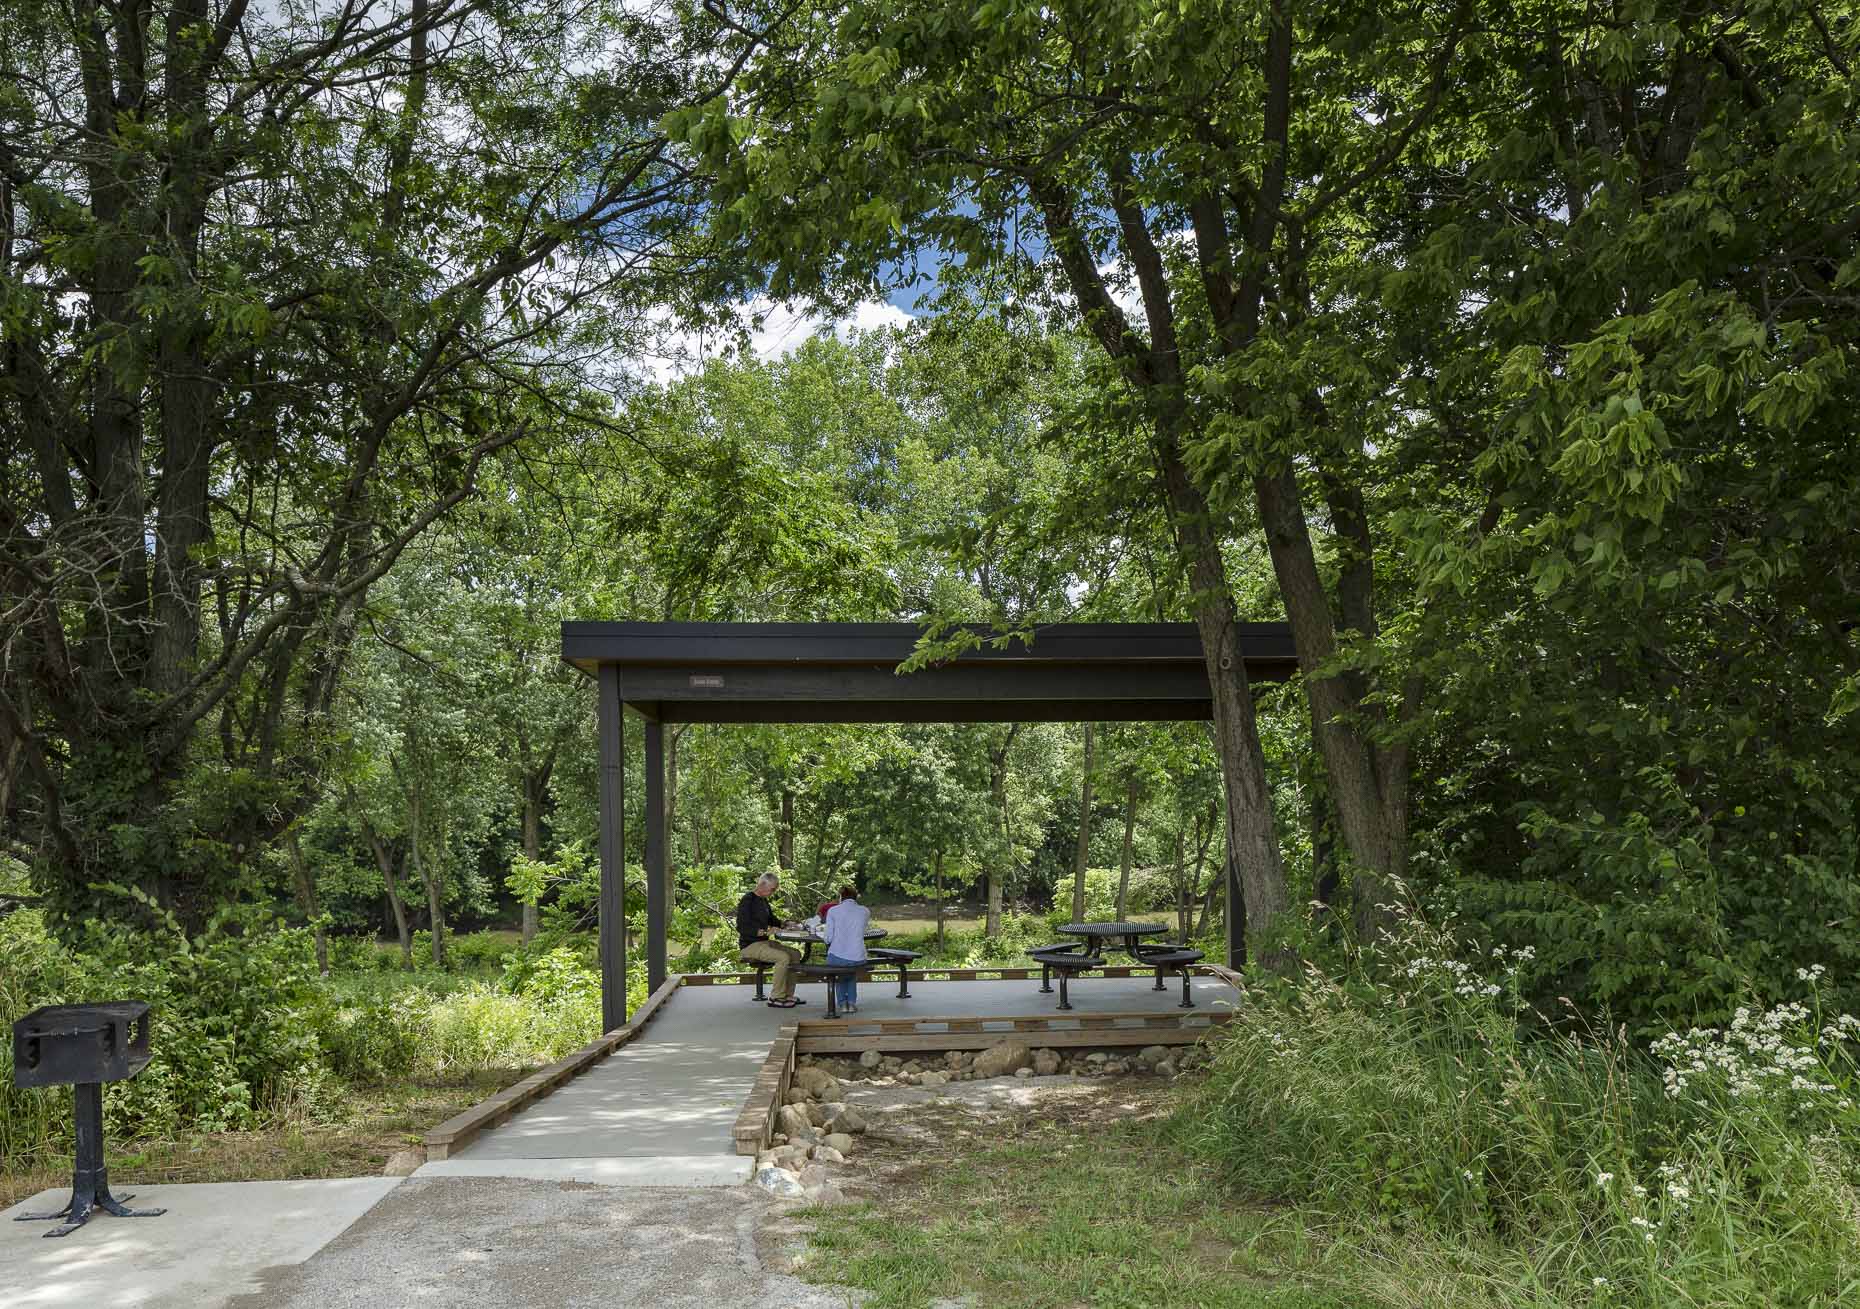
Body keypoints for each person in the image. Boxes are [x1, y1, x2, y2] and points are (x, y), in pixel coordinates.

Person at [736, 872, 804, 1009]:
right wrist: (765, 932)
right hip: (750, 945)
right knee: (783, 957)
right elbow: (742, 927)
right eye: (772, 889)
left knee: (795, 954)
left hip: (764, 943)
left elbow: (772, 920)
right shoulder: (747, 900)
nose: (773, 892)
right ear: (762, 884)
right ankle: (776, 997)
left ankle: (787, 995)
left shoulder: (763, 901)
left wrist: (786, 924)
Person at [821, 885, 870, 1014]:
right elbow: (862, 932)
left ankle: (843, 1003)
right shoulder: (865, 911)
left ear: (841, 897)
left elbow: (828, 939)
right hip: (859, 957)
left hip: (839, 958)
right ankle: (852, 1003)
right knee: (850, 970)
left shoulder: (833, 911)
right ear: (855, 897)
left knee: (840, 966)